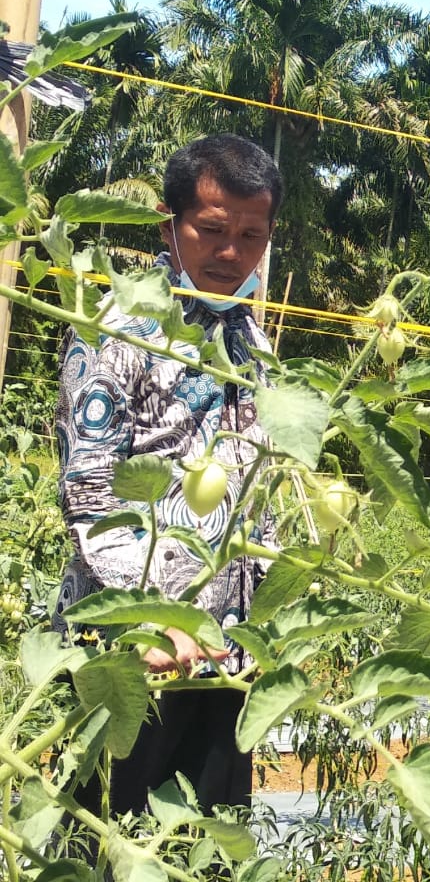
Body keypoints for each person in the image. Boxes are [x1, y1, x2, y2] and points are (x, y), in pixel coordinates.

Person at [55, 133, 283, 815]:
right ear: (168, 224)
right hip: (128, 652)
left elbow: (258, 493)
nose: (231, 253)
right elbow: (89, 495)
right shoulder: (114, 331)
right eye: (212, 230)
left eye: (251, 234)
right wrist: (157, 623)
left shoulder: (254, 343)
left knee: (206, 847)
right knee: (112, 841)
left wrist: (262, 620)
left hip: (223, 661)